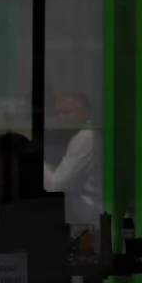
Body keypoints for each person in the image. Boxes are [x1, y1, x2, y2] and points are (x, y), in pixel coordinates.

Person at [44, 92, 102, 230]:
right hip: (86, 220)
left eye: (67, 112)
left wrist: (33, 150)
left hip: (93, 221)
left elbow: (55, 186)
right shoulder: (79, 135)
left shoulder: (85, 139)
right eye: (58, 113)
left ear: (85, 114)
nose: (60, 118)